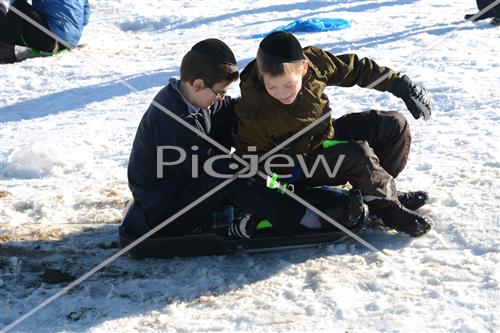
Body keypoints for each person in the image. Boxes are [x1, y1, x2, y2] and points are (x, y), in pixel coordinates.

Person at [120, 38, 367, 243]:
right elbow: (208, 173)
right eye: (219, 93)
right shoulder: (174, 122)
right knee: (227, 170)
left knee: (238, 125)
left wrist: (267, 112)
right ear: (198, 84)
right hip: (166, 215)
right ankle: (305, 217)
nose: (220, 98)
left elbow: (233, 111)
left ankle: (276, 189)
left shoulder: (189, 99)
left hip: (179, 190)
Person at [233, 31, 434, 238]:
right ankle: (388, 211)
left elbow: (356, 70)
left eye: (288, 85)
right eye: (271, 86)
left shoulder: (316, 63)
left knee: (393, 125)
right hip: (297, 165)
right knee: (357, 155)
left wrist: (400, 84)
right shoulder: (255, 110)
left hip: (324, 136)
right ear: (261, 75)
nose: (282, 93)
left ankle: (379, 195)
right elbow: (251, 160)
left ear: (303, 68)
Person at [0, 0, 90, 63]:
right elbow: (85, 12)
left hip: (50, 41)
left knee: (18, 6)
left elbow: (15, 7)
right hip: (70, 41)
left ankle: (5, 55)